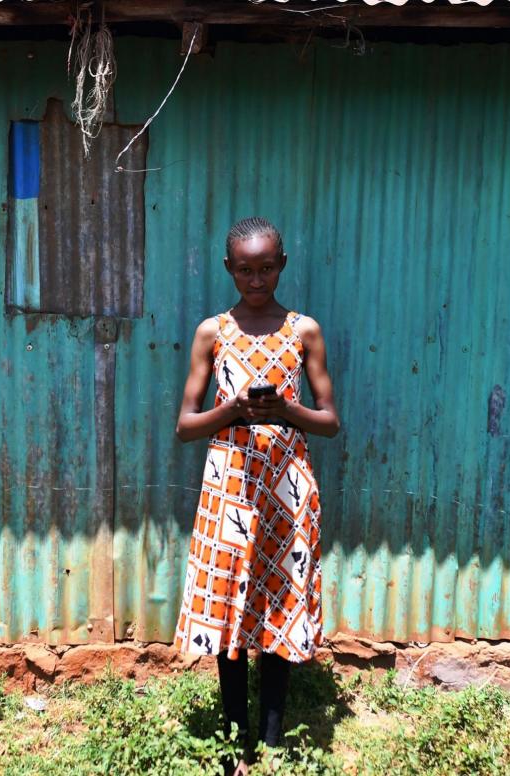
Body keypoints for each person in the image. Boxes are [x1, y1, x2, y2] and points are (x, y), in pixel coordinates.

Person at [172, 217, 340, 774]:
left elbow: (330, 421)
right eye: (245, 269)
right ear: (229, 269)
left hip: (287, 489)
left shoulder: (304, 331)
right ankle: (232, 741)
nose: (256, 278)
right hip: (230, 488)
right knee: (230, 611)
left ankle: (269, 741)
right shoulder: (212, 332)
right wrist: (236, 410)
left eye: (267, 267)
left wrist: (286, 411)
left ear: (283, 264)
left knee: (278, 607)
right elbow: (186, 425)